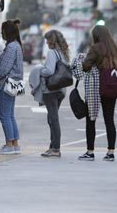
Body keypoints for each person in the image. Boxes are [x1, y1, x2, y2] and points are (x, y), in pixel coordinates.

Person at [78, 25, 117, 162]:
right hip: (112, 86)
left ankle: (90, 152)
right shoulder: (114, 48)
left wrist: (84, 60)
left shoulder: (96, 47)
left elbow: (86, 66)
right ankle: (110, 153)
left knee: (91, 119)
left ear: (95, 36)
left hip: (97, 87)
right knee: (109, 120)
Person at [0, 20, 23, 155]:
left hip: (6, 84)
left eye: (2, 30)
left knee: (4, 115)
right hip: (13, 84)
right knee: (10, 115)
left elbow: (4, 68)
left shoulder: (11, 48)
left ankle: (9, 144)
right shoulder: (17, 46)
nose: (0, 33)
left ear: (6, 32)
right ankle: (14, 143)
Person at [39, 30, 70, 158]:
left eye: (47, 40)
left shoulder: (52, 53)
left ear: (52, 41)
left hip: (51, 90)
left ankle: (55, 148)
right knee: (52, 118)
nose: (46, 43)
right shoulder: (63, 53)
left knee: (53, 119)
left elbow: (49, 71)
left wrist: (40, 69)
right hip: (61, 90)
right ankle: (52, 147)